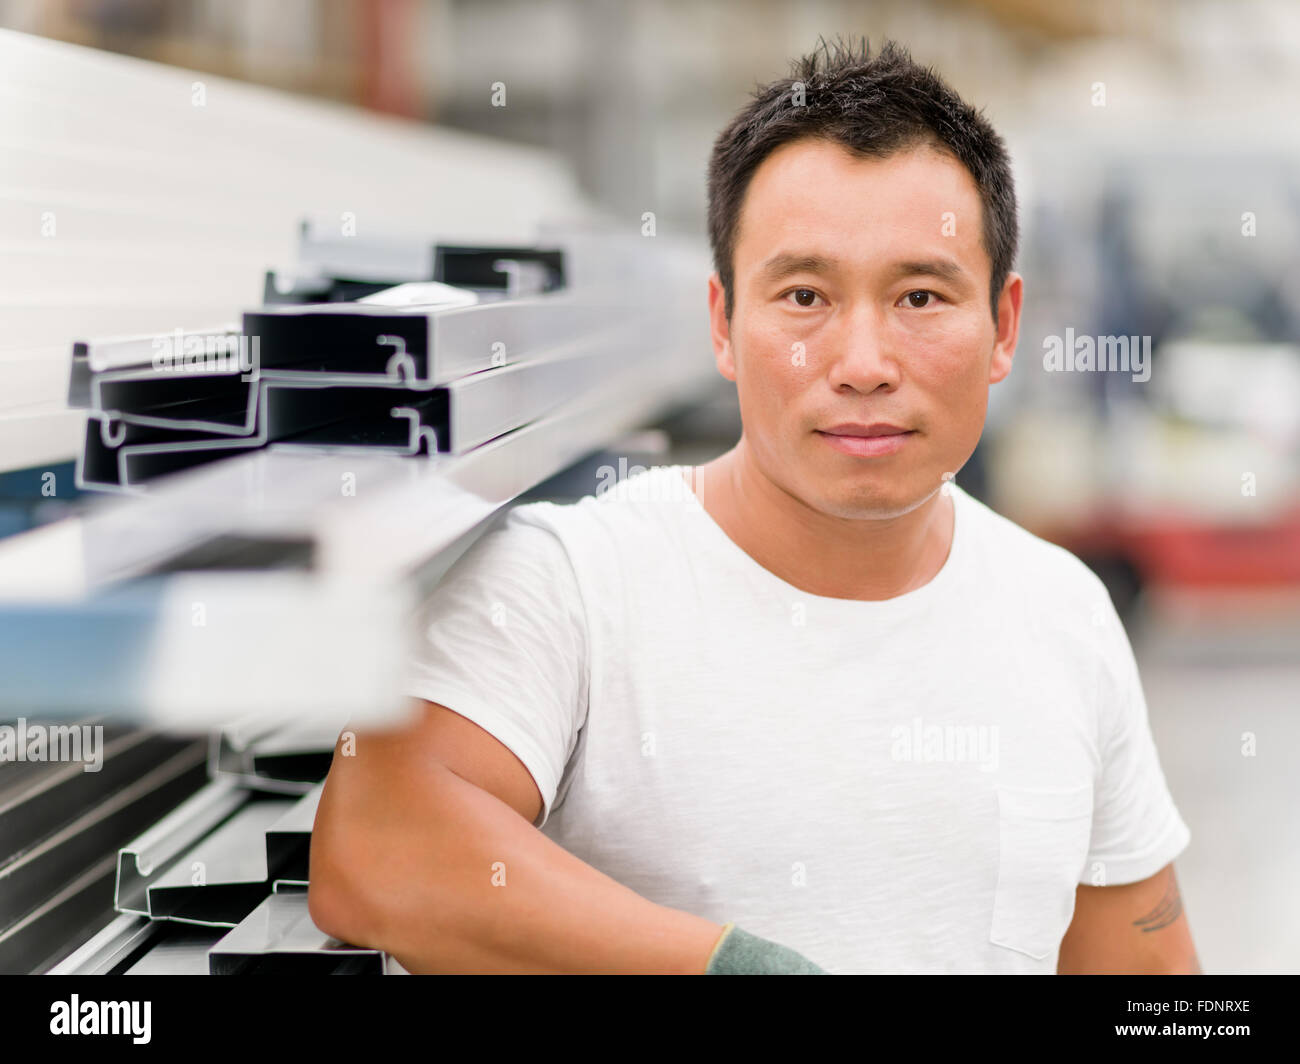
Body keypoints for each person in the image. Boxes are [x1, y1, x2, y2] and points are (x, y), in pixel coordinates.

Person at [308, 36, 1197, 975]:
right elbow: (376, 844)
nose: (862, 364)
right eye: (805, 295)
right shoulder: (571, 581)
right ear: (724, 324)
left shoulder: (1062, 613)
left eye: (921, 297)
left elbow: (1150, 984)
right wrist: (731, 969)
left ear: (1004, 326)